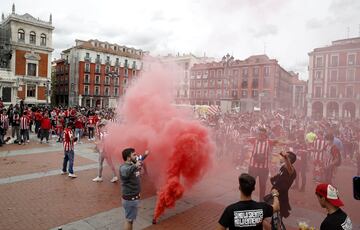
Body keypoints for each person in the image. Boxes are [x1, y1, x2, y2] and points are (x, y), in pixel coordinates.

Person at [120, 148, 149, 230]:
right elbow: (126, 172)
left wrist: (145, 155)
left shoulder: (133, 163)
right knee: (129, 220)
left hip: (134, 198)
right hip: (130, 200)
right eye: (134, 155)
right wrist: (135, 166)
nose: (136, 156)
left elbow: (140, 159)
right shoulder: (124, 168)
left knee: (130, 220)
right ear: (129, 158)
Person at [267, 151, 297, 229]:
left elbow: (289, 168)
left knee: (276, 222)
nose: (283, 158)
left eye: (286, 157)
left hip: (281, 198)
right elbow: (276, 179)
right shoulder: (283, 168)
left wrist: (286, 157)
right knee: (275, 220)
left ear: (288, 159)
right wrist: (273, 178)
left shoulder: (292, 171)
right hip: (275, 195)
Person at [247, 128, 278, 200]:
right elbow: (245, 138)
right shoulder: (254, 140)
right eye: (259, 134)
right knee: (250, 184)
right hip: (253, 167)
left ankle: (261, 200)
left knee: (263, 185)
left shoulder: (269, 142)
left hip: (264, 169)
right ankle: (248, 199)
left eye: (262, 135)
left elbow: (278, 142)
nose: (260, 136)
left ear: (265, 135)